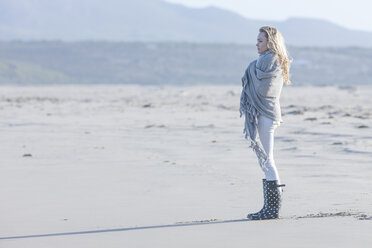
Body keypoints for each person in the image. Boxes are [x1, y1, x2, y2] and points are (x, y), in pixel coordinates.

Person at [239, 26, 291, 220]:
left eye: (261, 41)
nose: (257, 44)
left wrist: (252, 72)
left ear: (271, 42)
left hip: (267, 113)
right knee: (265, 160)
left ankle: (272, 210)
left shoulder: (272, 60)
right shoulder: (261, 61)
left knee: (267, 159)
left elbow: (264, 89)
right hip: (262, 113)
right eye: (257, 40)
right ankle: (268, 207)